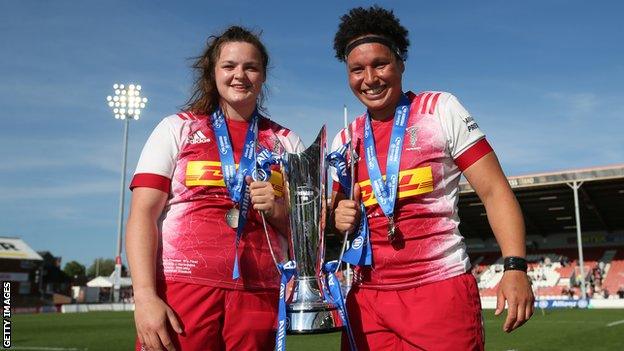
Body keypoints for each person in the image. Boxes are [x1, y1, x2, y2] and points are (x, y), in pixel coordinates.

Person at [330, 6, 534, 350]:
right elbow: (326, 217)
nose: (370, 78)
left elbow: (494, 191)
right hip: (367, 299)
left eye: (380, 64)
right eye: (356, 70)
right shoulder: (344, 139)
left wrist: (514, 266)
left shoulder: (439, 109)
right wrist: (336, 219)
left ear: (400, 63)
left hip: (439, 292)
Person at [126, 26, 304, 351]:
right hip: (182, 289)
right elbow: (142, 216)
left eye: (250, 67)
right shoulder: (177, 128)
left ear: (263, 75)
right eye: (229, 66)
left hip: (259, 294)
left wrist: (277, 211)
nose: (240, 75)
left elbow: (308, 236)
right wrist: (144, 296)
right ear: (213, 72)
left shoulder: (286, 143)